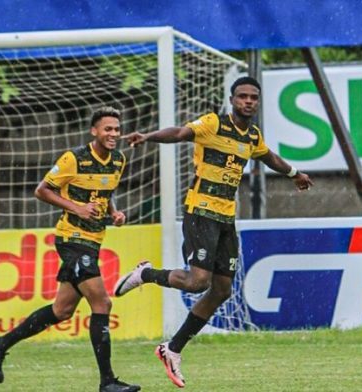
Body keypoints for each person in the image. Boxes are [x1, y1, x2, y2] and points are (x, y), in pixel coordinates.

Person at [114, 76, 314, 388]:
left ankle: (173, 349)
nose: (248, 101)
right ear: (232, 99)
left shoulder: (252, 136)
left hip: (225, 219)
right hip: (201, 211)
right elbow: (180, 133)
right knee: (197, 282)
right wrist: (148, 136)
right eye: (243, 96)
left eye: (253, 97)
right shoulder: (212, 124)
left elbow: (268, 156)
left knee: (221, 289)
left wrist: (294, 173)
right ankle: (147, 273)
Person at [0, 107, 140, 392]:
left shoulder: (118, 160)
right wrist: (78, 208)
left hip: (93, 239)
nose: (113, 134)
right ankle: (107, 382)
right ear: (94, 131)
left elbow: (106, 193)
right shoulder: (74, 158)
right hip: (71, 239)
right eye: (107, 129)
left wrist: (114, 213)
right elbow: (42, 190)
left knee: (62, 310)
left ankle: (0, 343)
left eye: (116, 129)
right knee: (102, 303)